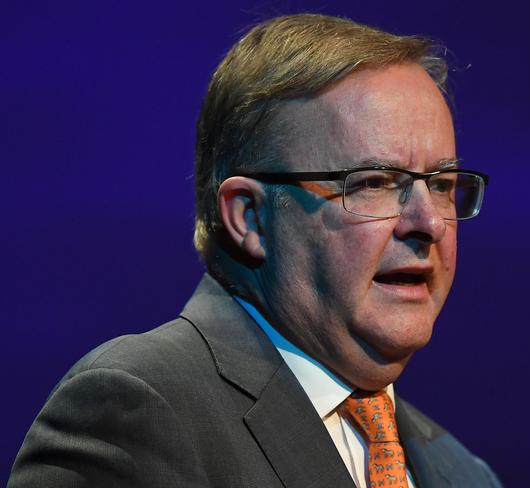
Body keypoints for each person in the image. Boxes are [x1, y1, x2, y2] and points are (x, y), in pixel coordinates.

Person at [9, 13, 501, 488]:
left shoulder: (464, 473)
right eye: (373, 182)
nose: (429, 223)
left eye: (441, 184)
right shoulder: (135, 412)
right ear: (248, 216)